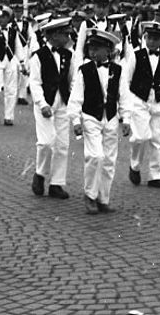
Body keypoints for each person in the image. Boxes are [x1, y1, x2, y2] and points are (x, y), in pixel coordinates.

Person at [68, 28, 130, 214]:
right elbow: (76, 97)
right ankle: (90, 195)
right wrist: (75, 121)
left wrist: (126, 118)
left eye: (98, 48)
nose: (93, 52)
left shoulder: (118, 70)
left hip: (110, 117)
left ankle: (104, 198)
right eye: (91, 48)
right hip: (90, 117)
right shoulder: (84, 70)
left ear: (109, 50)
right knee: (95, 156)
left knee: (109, 160)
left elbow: (124, 96)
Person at [121, 20, 160, 190]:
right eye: (149, 38)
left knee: (159, 139)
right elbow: (126, 80)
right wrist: (126, 106)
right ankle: (135, 164)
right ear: (144, 37)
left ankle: (155, 174)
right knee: (140, 136)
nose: (152, 42)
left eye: (156, 38)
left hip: (159, 100)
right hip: (139, 99)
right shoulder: (136, 55)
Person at [28, 17, 74, 200]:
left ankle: (56, 183)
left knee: (62, 144)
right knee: (47, 142)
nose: (68, 37)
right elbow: (35, 83)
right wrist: (42, 104)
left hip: (62, 103)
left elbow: (72, 79)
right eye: (65, 34)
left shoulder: (68, 55)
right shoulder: (38, 56)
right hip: (45, 104)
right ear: (54, 35)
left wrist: (71, 101)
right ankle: (40, 174)